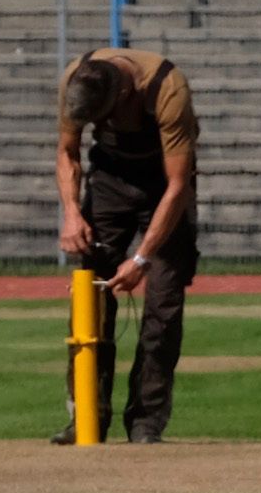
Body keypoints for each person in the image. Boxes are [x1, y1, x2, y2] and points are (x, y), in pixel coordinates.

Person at [54, 47, 200, 444]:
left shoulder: (168, 89)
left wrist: (141, 258)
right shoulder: (76, 80)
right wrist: (71, 213)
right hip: (109, 180)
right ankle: (86, 416)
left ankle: (146, 421)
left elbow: (177, 185)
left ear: (121, 94)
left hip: (164, 185)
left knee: (163, 307)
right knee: (90, 300)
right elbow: (67, 152)